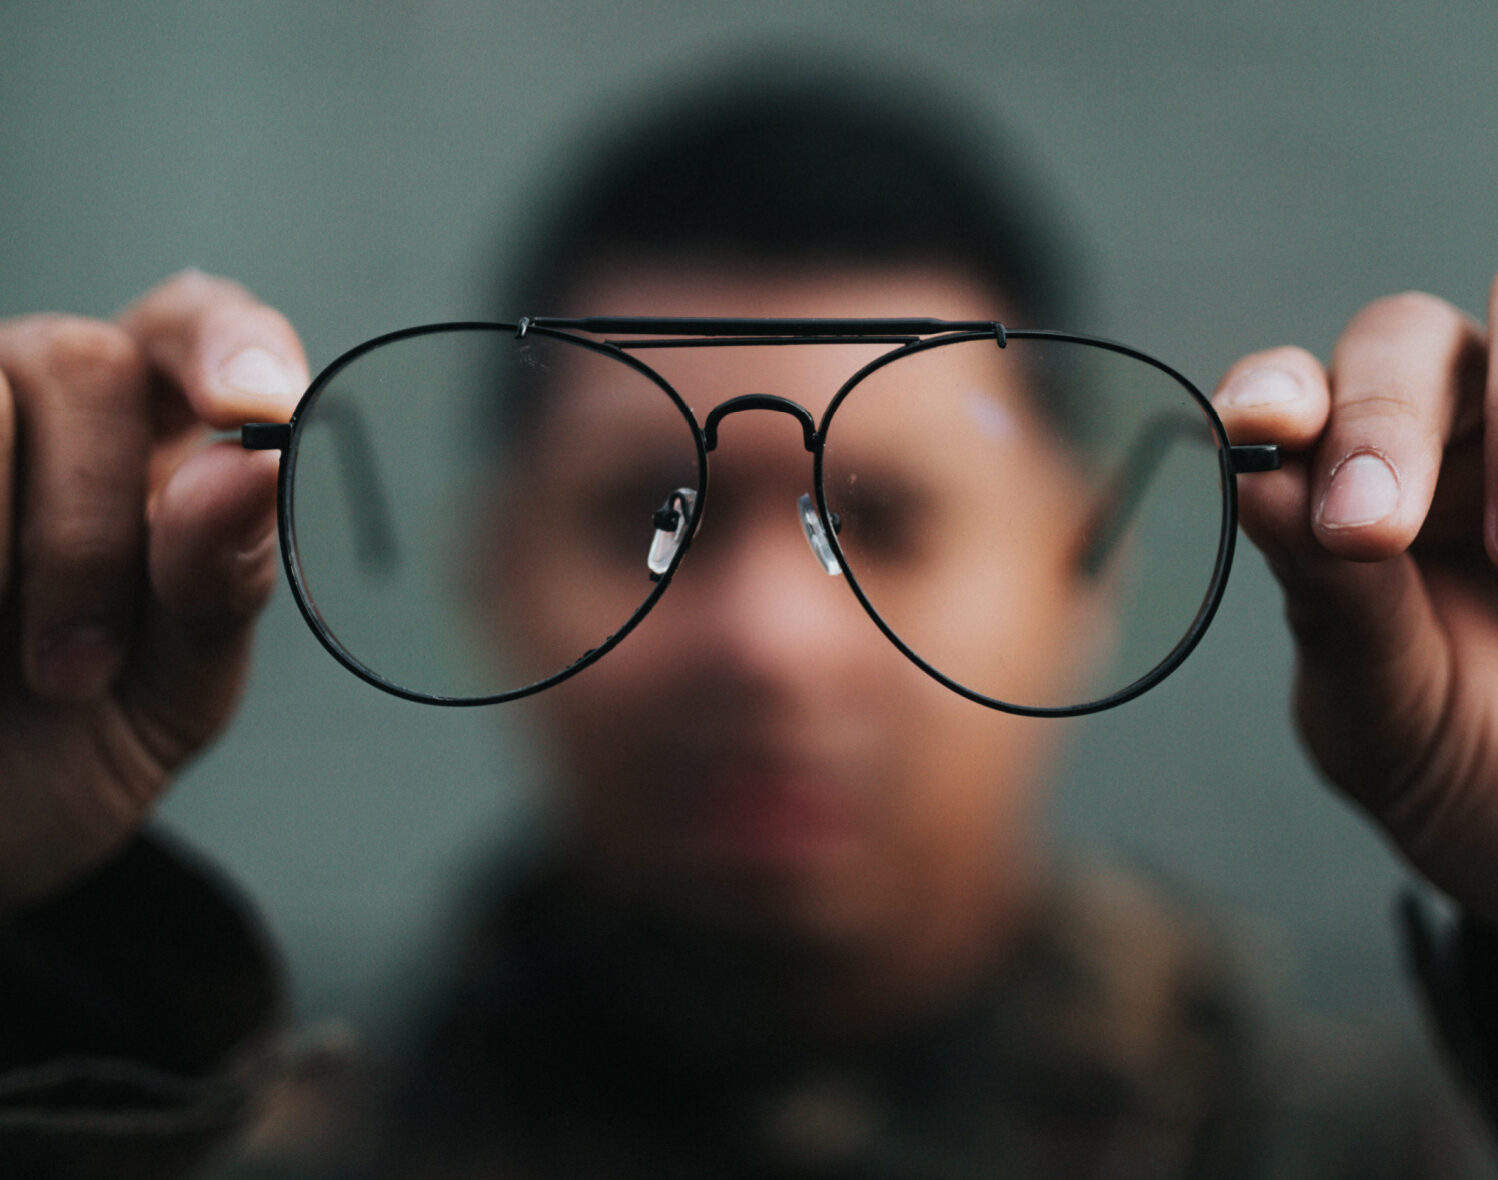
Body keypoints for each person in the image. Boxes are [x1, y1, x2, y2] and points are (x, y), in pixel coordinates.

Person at [2, 70, 1497, 1178]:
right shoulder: (181, 1138)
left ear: (1079, 571)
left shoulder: (1384, 1144)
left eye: (881, 519)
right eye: (650, 509)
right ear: (491, 567)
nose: (766, 640)